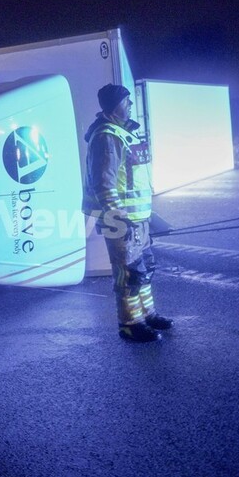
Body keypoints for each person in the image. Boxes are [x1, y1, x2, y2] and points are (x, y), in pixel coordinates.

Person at [82, 84, 174, 342]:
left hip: (138, 219)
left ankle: (148, 315)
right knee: (129, 274)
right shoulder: (107, 136)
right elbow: (104, 182)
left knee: (144, 269)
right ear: (114, 106)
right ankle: (130, 324)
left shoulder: (124, 133)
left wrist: (147, 216)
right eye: (127, 101)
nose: (131, 105)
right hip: (122, 220)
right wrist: (118, 216)